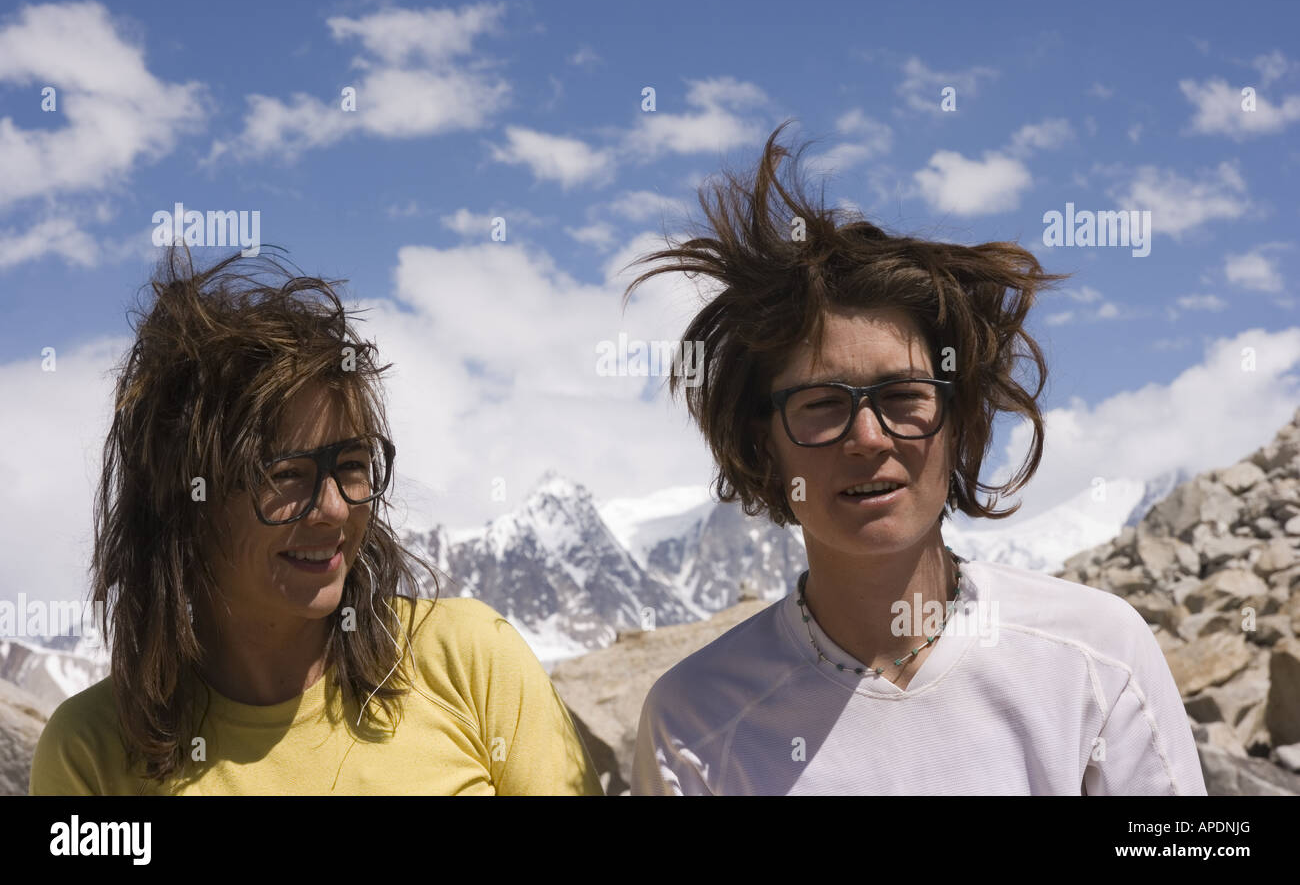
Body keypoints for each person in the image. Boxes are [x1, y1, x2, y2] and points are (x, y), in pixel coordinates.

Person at [625, 121, 1206, 795]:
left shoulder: (1098, 658)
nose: (868, 437)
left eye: (903, 396)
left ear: (958, 421)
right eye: (820, 404)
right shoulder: (694, 723)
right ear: (764, 444)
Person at [30, 243, 603, 795]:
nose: (332, 509)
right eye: (285, 476)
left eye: (351, 466)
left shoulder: (470, 661)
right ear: (185, 499)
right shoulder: (93, 754)